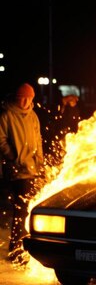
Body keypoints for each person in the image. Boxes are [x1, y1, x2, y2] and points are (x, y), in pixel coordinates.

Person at [0, 83, 44, 262]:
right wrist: (14, 157)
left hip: (33, 169)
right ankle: (15, 248)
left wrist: (40, 163)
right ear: (17, 97)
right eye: (22, 97)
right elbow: (1, 140)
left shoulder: (33, 116)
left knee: (30, 210)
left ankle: (24, 248)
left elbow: (38, 140)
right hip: (18, 171)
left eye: (29, 98)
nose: (26, 101)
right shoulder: (7, 115)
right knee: (21, 210)